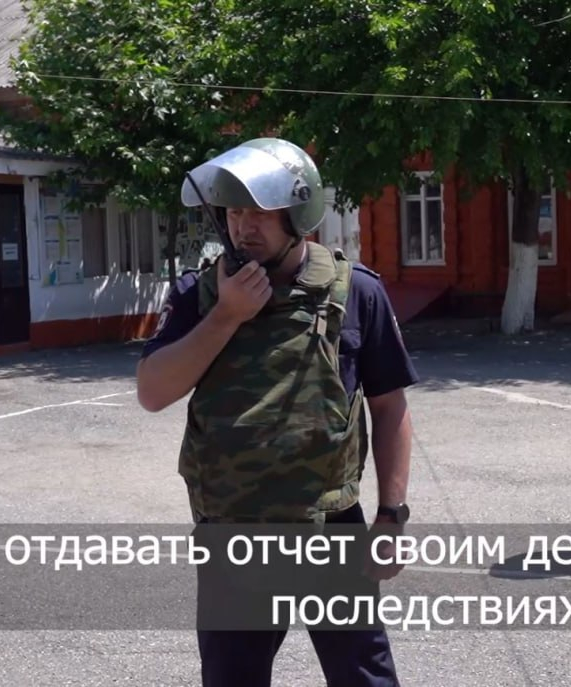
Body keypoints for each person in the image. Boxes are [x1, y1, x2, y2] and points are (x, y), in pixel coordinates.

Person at [135, 137, 418, 687]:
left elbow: (390, 408)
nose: (243, 227)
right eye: (234, 212)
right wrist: (226, 317)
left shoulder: (354, 292)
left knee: (364, 678)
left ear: (298, 213)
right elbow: (152, 392)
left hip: (330, 525)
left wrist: (391, 516)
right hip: (234, 533)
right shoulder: (201, 295)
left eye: (260, 212)